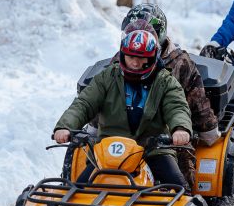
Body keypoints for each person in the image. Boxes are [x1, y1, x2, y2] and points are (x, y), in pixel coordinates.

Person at [54, 27, 192, 188]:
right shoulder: (107, 76)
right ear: (122, 54)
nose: (134, 62)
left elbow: (177, 107)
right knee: (77, 191)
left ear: (153, 57)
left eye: (142, 58)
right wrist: (65, 126)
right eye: (130, 56)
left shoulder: (166, 82)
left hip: (152, 149)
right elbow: (84, 103)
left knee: (179, 188)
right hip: (108, 150)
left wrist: (180, 128)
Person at [119, 4, 221, 188]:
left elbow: (196, 99)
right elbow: (102, 95)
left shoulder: (180, 63)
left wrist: (207, 130)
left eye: (145, 34)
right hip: (124, 135)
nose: (138, 40)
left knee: (181, 176)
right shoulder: (121, 60)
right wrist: (93, 127)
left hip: (167, 136)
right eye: (131, 34)